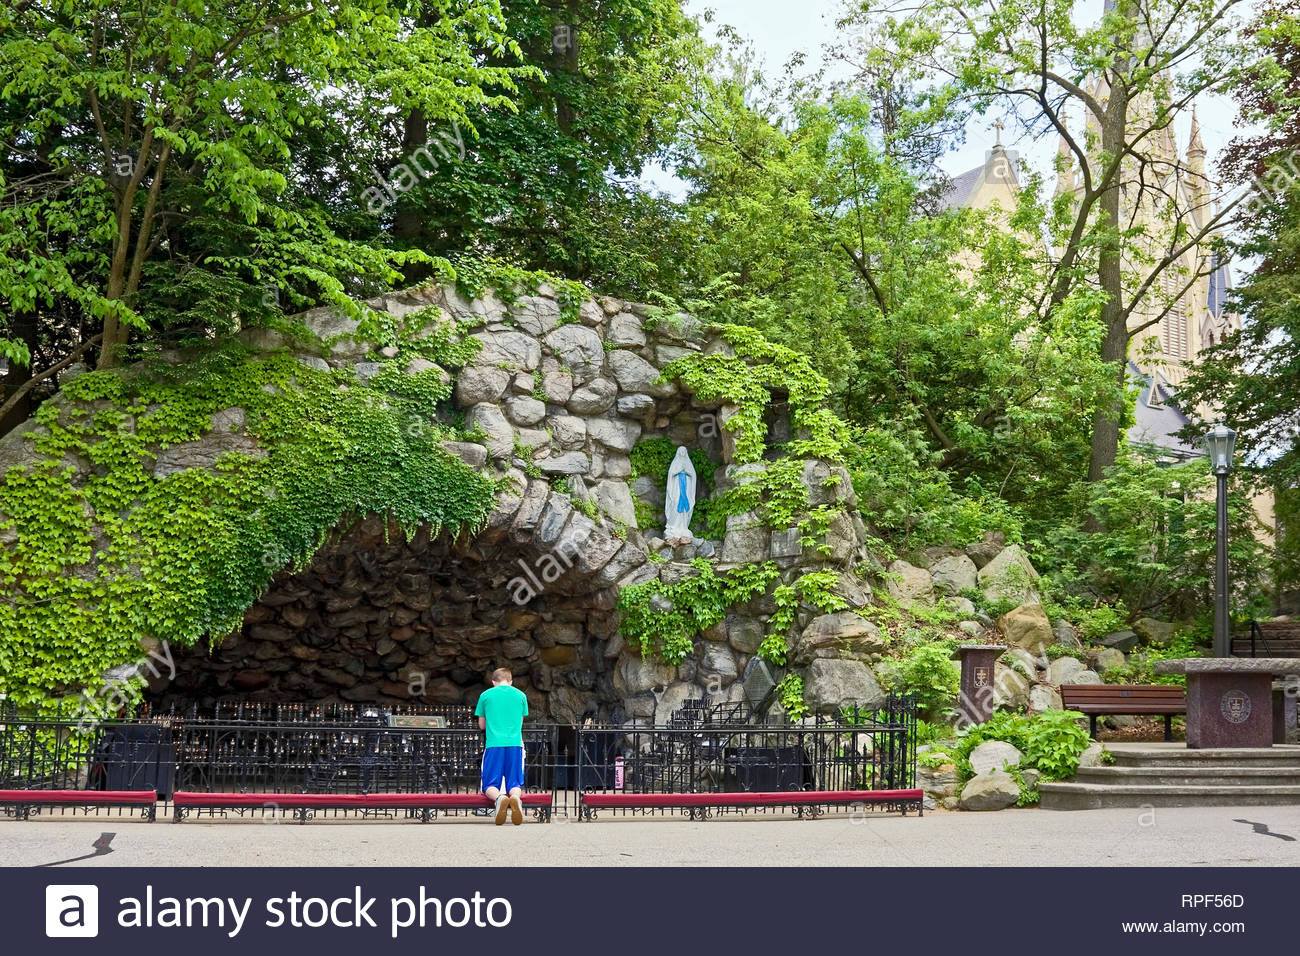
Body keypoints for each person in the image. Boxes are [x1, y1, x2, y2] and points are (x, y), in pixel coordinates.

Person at [475, 667, 529, 826]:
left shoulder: (485, 695)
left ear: (493, 682)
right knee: (515, 782)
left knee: (489, 784)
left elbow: (482, 725)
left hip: (494, 744)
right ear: (511, 681)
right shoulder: (521, 695)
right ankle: (515, 799)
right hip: (515, 745)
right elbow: (520, 722)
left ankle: (500, 799)